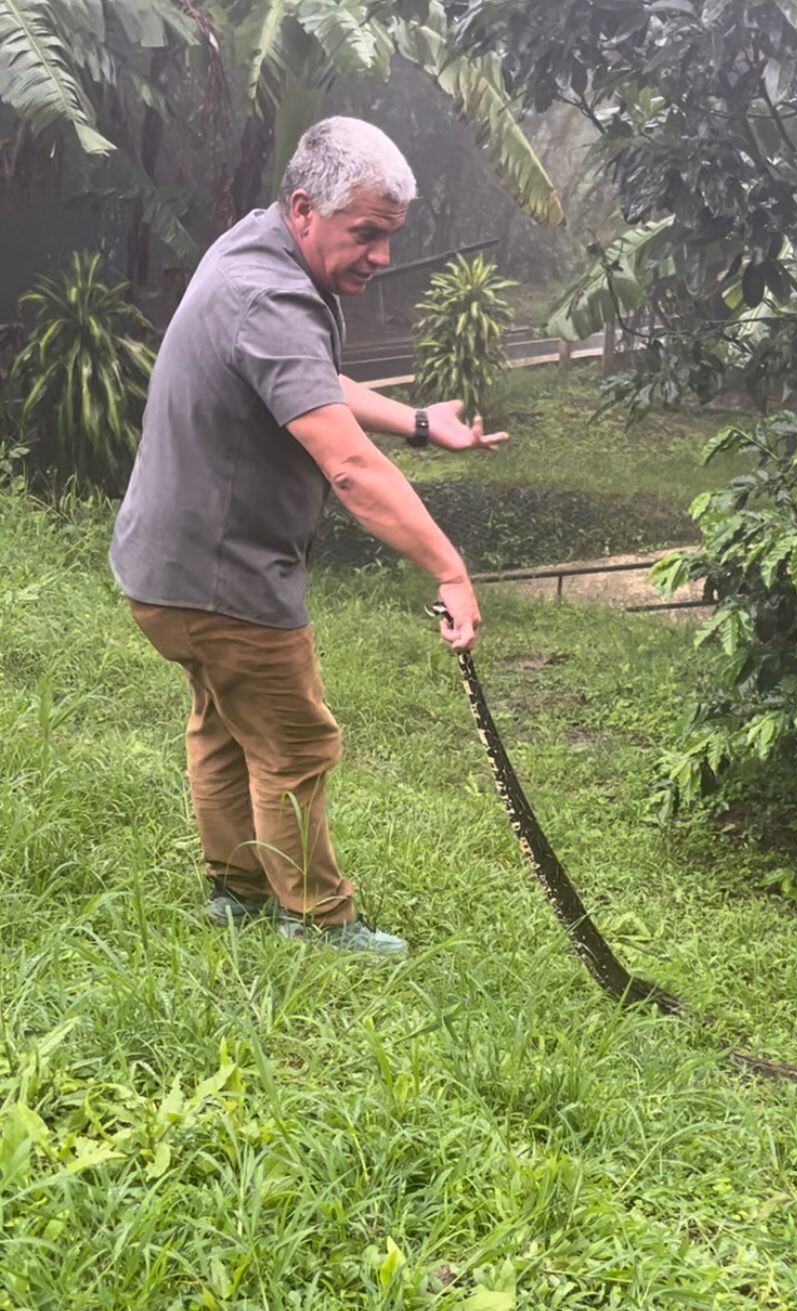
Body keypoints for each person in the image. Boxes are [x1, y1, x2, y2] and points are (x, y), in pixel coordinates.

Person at [110, 116, 506, 956]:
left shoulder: (253, 250)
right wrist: (450, 567)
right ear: (304, 210)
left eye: (389, 236)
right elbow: (351, 471)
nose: (381, 256)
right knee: (295, 741)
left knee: (223, 722)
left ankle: (236, 892)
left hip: (161, 571)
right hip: (223, 582)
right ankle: (317, 918)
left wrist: (421, 423)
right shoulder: (272, 291)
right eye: (366, 234)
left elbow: (305, 375)